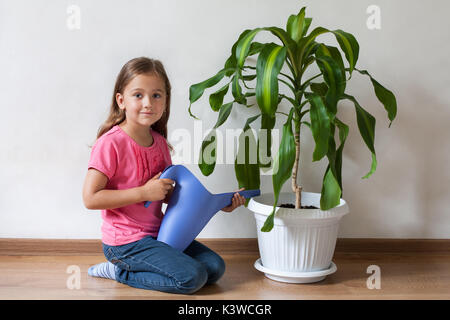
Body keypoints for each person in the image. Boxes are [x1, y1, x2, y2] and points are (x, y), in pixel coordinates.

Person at [82, 57, 246, 294]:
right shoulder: (111, 144)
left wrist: (218, 204)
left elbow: (167, 195)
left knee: (214, 268)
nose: (148, 103)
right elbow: (90, 198)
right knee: (192, 277)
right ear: (121, 101)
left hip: (159, 234)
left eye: (156, 95)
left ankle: (148, 265)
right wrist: (143, 192)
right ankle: (119, 271)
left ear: (166, 101)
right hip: (125, 243)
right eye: (138, 95)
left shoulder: (159, 144)